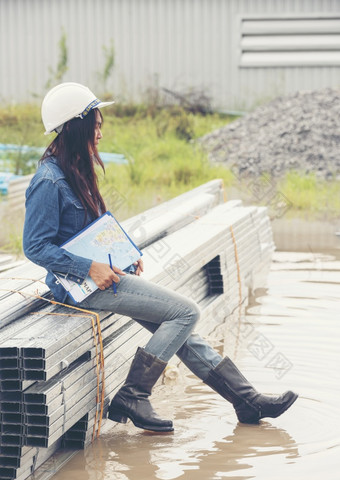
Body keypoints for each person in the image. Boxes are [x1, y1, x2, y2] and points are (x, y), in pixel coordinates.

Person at [23, 82, 298, 433]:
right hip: (81, 287)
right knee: (186, 312)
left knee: (180, 331)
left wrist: (122, 255)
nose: (101, 133)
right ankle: (133, 395)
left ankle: (246, 401)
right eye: (97, 124)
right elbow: (35, 246)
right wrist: (90, 267)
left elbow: (90, 229)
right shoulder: (49, 180)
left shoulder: (74, 168)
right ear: (77, 125)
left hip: (101, 276)